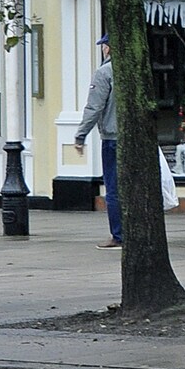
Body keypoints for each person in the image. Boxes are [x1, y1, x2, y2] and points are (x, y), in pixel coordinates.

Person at [75, 33, 120, 248]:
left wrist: (80, 135)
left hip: (113, 137)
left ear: (108, 48)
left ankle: (118, 235)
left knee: (113, 189)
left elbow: (94, 107)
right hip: (136, 139)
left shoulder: (105, 72)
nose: (103, 49)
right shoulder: (136, 70)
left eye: (103, 46)